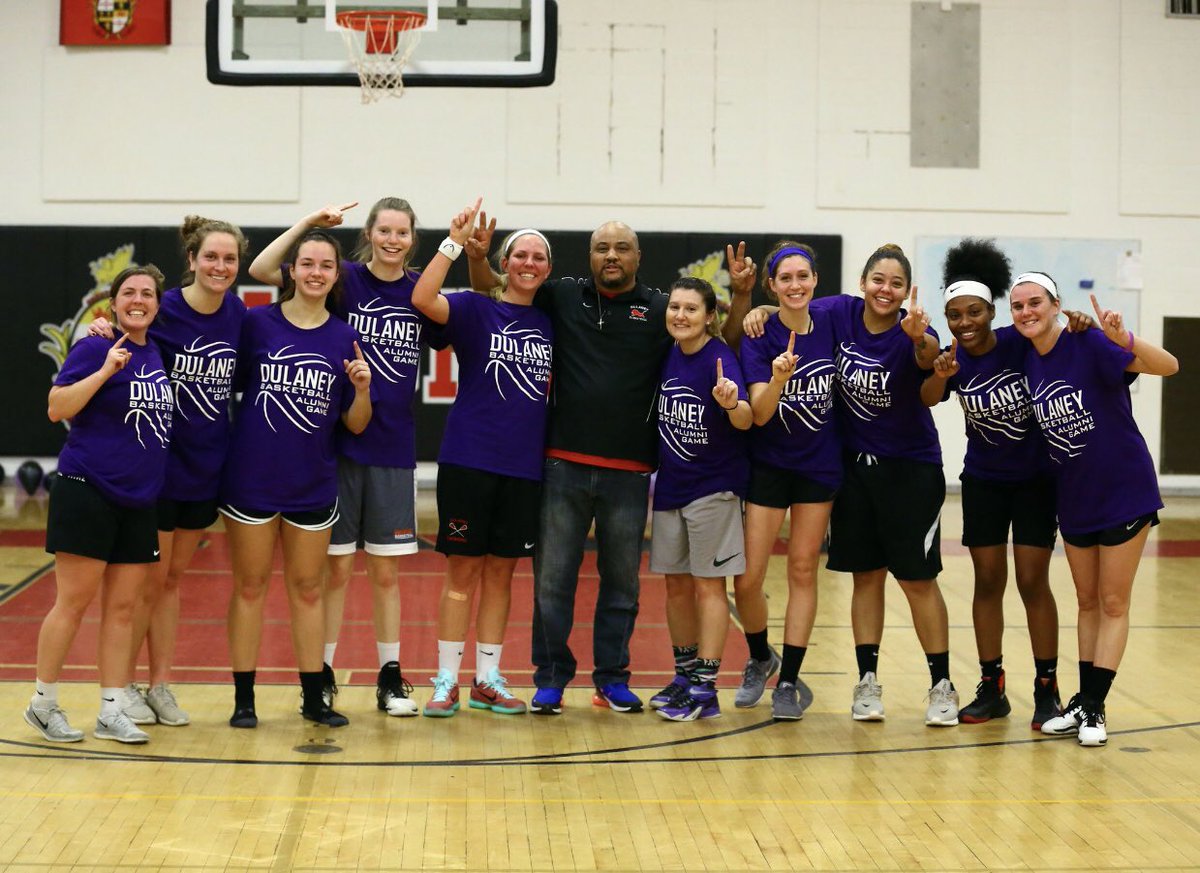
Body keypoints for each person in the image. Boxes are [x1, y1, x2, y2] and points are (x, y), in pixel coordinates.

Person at [466, 217, 671, 714]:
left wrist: (759, 305)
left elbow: (712, 336)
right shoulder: (561, 296)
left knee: (621, 583)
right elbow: (491, 292)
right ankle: (551, 677)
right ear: (590, 256)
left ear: (638, 257)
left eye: (623, 247)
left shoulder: (661, 308)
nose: (613, 256)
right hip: (562, 466)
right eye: (602, 248)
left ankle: (612, 678)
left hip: (629, 471)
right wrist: (476, 256)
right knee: (552, 581)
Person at [249, 198, 435, 717]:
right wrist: (308, 223)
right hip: (336, 445)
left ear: (412, 239)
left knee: (386, 574)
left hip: (393, 448)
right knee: (334, 570)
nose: (393, 239)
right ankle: (322, 675)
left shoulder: (420, 291)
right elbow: (263, 269)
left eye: (402, 232)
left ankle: (391, 678)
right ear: (369, 234)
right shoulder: (343, 277)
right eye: (384, 230)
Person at [92, 217, 247, 730]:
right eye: (211, 257)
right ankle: (126, 686)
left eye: (229, 259)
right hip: (158, 464)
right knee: (147, 582)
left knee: (174, 579)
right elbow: (125, 331)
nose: (220, 267)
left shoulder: (238, 314)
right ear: (192, 260)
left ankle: (160, 685)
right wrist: (102, 331)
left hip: (207, 464)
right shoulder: (166, 308)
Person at [1010, 275, 1177, 746]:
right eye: (1018, 305)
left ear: (1056, 305)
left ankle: (1096, 707)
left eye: (1035, 303)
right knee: (1085, 603)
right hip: (1076, 496)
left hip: (1124, 490)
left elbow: (1170, 365)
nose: (1026, 312)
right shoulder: (1028, 360)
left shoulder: (1090, 344)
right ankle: (1083, 701)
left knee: (1112, 602)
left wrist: (1122, 336)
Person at [222, 230, 373, 729]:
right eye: (306, 263)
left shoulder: (343, 336)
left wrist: (362, 389)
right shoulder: (256, 324)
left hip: (312, 481)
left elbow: (355, 424)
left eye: (325, 265)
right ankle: (244, 699)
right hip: (253, 479)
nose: (314, 272)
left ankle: (314, 698)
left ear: (335, 275)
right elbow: (231, 384)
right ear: (291, 271)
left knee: (309, 589)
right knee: (250, 587)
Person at [920, 240, 1073, 729]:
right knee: (988, 581)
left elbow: (1059, 338)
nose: (964, 322)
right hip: (983, 481)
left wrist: (1082, 324)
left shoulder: (1018, 342)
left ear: (992, 311)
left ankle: (1047, 688)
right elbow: (926, 398)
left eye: (975, 312)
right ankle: (993, 686)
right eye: (955, 314)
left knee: (1032, 581)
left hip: (1034, 482)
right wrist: (937, 373)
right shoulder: (953, 359)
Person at [410, 200, 554, 717]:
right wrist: (452, 242)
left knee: (502, 576)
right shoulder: (475, 309)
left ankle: (487, 677)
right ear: (506, 263)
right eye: (521, 255)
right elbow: (422, 296)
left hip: (523, 469)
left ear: (547, 269)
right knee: (462, 575)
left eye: (539, 257)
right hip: (469, 461)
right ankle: (446, 678)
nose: (530, 263)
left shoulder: (552, 322)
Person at [26, 265, 173, 744]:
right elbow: (57, 407)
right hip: (86, 488)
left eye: (147, 293)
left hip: (138, 499)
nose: (138, 299)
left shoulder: (157, 354)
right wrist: (106, 369)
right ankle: (43, 704)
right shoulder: (94, 346)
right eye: (128, 292)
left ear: (157, 304)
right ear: (113, 303)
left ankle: (112, 708)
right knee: (72, 603)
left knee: (124, 610)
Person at [822, 245, 957, 726]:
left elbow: (928, 360)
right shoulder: (838, 312)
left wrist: (921, 340)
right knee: (866, 577)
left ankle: (942, 685)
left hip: (911, 471)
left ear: (905, 292)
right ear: (863, 282)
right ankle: (866, 683)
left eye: (896, 283)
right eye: (878, 279)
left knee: (918, 580)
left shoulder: (918, 330)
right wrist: (760, 309)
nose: (886, 289)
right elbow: (790, 311)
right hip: (856, 471)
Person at [728, 241, 841, 721]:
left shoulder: (835, 320)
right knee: (748, 578)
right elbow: (757, 414)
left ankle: (789, 681)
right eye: (785, 279)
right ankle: (759, 656)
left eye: (803, 276)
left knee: (801, 571)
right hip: (769, 465)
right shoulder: (759, 335)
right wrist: (777, 378)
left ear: (815, 280)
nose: (795, 285)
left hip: (818, 468)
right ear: (771, 284)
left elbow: (884, 308)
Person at [649, 277, 751, 722]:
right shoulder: (669, 352)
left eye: (692, 309)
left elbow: (746, 420)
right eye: (675, 307)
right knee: (675, 585)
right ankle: (684, 674)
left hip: (714, 490)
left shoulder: (720, 357)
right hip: (671, 486)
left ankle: (706, 689)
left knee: (709, 587)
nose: (680, 316)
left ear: (711, 316)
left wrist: (731, 404)